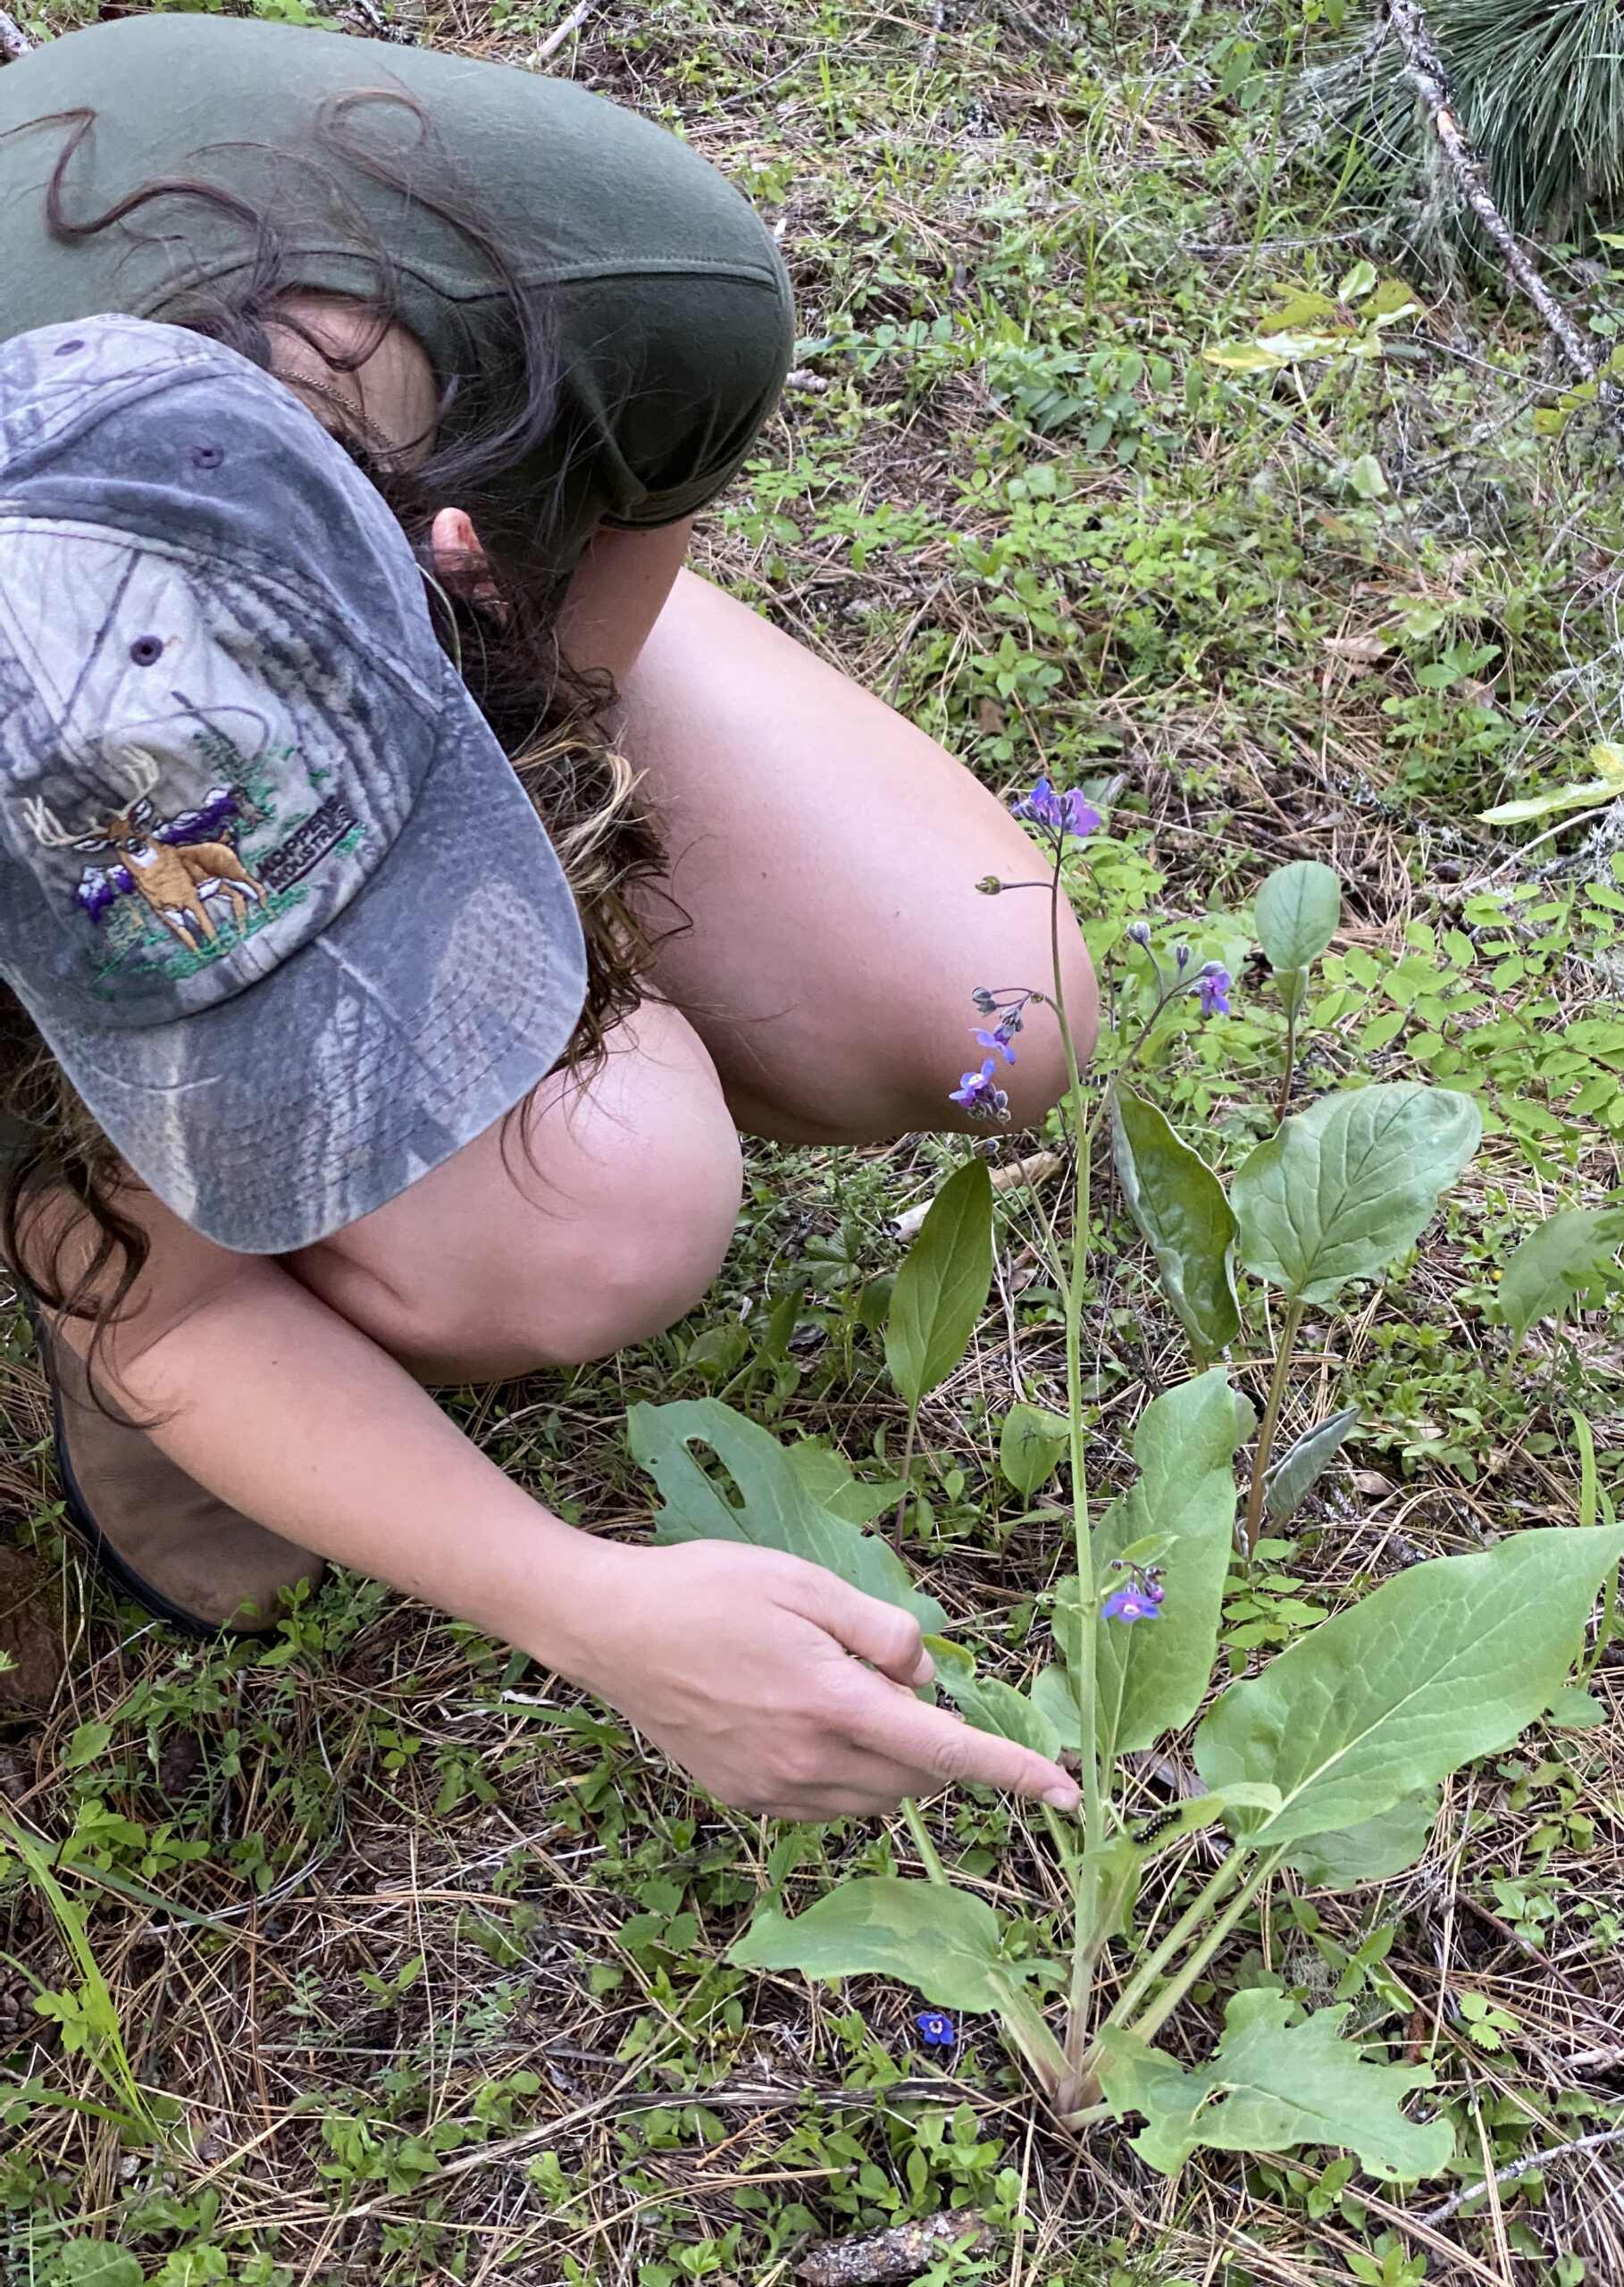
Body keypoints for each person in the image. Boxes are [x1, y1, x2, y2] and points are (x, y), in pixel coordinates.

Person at [0, 15, 1095, 1826]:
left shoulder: (625, 281)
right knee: (590, 1223)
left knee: (992, 1002)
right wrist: (584, 1601)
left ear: (446, 554)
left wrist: (523, 760)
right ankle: (102, 1163)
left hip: (452, 506)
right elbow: (179, 1320)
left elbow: (572, 689)